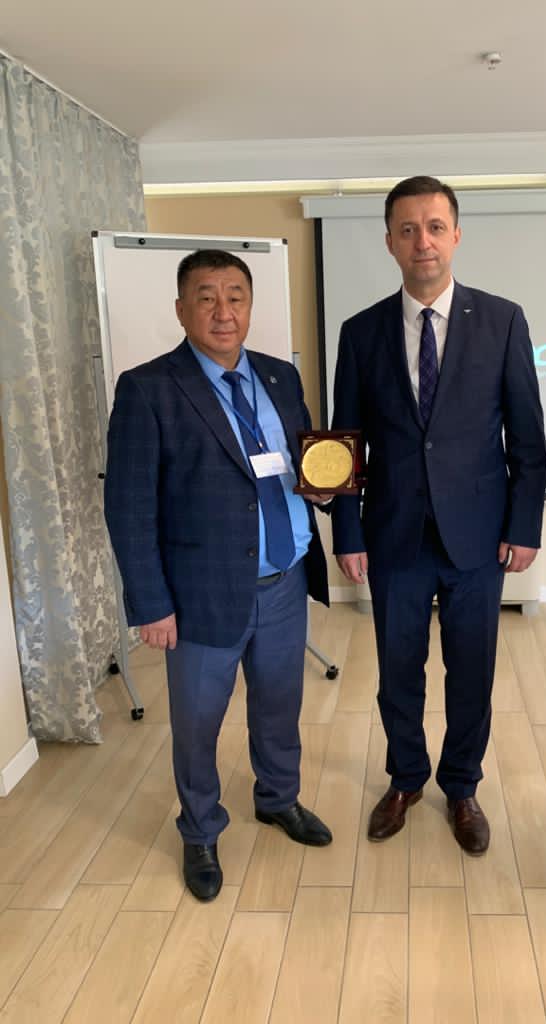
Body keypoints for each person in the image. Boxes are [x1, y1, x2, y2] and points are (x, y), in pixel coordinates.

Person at [104, 249, 333, 902]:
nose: (223, 311)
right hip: (199, 594)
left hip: (285, 580)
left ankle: (278, 798)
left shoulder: (279, 376)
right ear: (182, 309)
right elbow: (128, 507)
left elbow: (300, 459)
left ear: (251, 307)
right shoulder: (148, 389)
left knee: (280, 705)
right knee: (199, 722)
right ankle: (200, 828)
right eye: (206, 297)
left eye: (236, 296)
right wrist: (150, 603)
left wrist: (321, 490)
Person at [332, 176, 546, 854]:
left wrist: (524, 526)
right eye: (407, 229)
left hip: (478, 537)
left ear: (455, 235)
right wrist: (347, 531)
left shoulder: (503, 320)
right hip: (393, 534)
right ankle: (405, 779)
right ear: (389, 242)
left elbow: (528, 438)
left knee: (472, 671)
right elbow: (346, 444)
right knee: (398, 670)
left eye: (433, 227)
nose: (421, 241)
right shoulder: (360, 332)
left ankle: (461, 786)